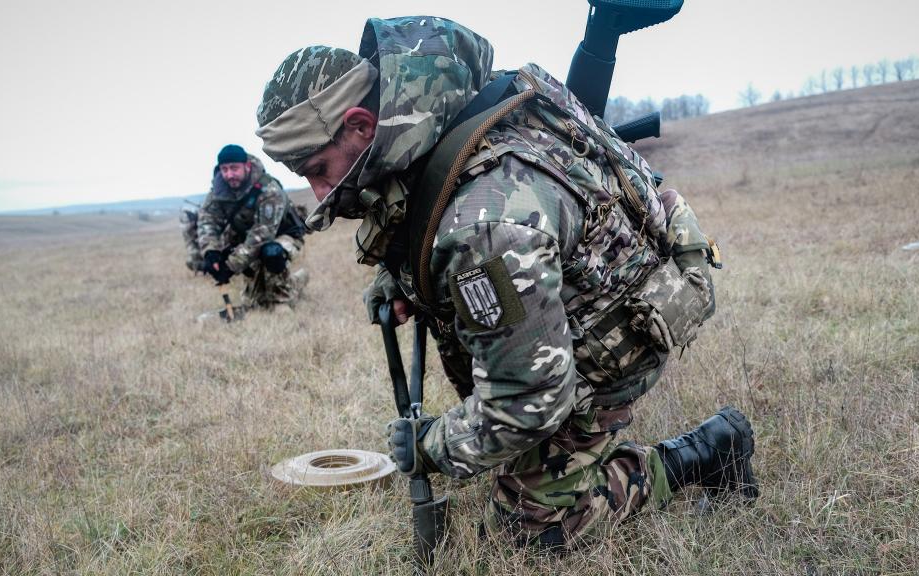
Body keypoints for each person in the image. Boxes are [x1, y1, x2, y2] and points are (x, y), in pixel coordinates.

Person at [255, 18, 757, 547]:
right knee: (510, 432)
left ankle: (708, 451)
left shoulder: (484, 229)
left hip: (617, 326)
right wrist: (399, 279)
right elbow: (418, 201)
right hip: (577, 289)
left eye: (318, 168)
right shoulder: (437, 113)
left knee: (529, 532)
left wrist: (434, 446)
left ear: (361, 124)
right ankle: (554, 453)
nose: (318, 191)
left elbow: (529, 396)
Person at [198, 144, 309, 310]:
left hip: (283, 236)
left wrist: (230, 266)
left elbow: (263, 235)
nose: (229, 175)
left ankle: (282, 300)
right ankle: (299, 279)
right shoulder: (218, 191)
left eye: (234, 168)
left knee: (271, 253)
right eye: (224, 169)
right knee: (255, 302)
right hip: (247, 240)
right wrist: (211, 252)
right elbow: (208, 220)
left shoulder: (268, 189)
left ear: (247, 166)